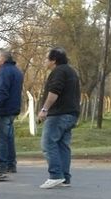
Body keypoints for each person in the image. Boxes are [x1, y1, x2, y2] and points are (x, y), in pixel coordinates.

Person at [37, 47, 81, 189]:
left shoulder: (58, 71)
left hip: (59, 114)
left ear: (53, 60)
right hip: (71, 113)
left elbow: (54, 91)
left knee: (48, 143)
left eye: (47, 59)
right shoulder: (71, 71)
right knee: (62, 145)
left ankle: (55, 175)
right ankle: (64, 178)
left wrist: (44, 109)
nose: (45, 62)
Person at [0, 49, 24, 174]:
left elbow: (2, 91)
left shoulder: (4, 71)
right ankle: (11, 164)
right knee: (9, 138)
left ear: (2, 60)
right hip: (13, 108)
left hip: (4, 109)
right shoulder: (17, 71)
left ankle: (2, 164)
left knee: (2, 138)